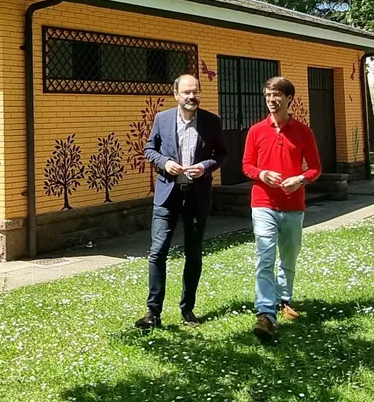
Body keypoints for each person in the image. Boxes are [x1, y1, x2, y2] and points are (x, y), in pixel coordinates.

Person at [135, 73, 227, 329]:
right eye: (186, 92)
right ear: (176, 94)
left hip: (197, 196)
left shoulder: (211, 121)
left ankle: (188, 309)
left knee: (193, 254)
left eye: (195, 92)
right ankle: (153, 313)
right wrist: (165, 163)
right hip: (167, 195)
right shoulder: (162, 119)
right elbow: (149, 149)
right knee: (157, 252)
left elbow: (221, 154)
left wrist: (206, 166)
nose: (191, 97)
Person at [242, 76, 322, 340]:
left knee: (288, 257)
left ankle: (283, 299)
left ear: (289, 98)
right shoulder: (256, 131)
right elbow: (246, 166)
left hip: (293, 205)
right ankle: (265, 314)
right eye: (267, 96)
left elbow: (315, 168)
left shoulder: (303, 132)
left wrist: (300, 179)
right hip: (263, 203)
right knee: (264, 256)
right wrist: (262, 174)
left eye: (277, 95)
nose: (272, 101)